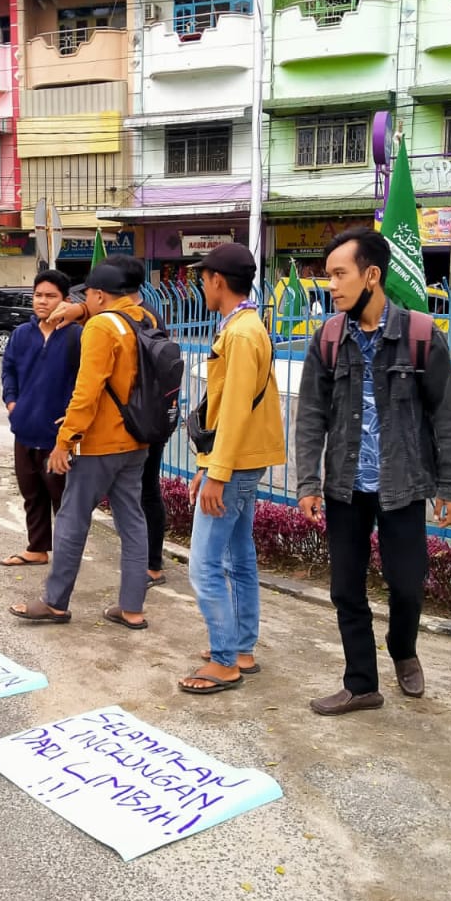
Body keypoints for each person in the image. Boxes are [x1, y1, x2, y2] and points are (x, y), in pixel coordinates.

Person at [296, 228, 451, 715]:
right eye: (328, 275)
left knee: (408, 584)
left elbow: (447, 416)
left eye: (340, 274)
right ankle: (361, 683)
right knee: (345, 589)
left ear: (372, 276)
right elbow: (311, 415)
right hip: (346, 488)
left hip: (403, 484)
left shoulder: (419, 336)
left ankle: (403, 649)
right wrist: (308, 481)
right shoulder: (328, 339)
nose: (331, 285)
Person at [9, 259, 155, 630]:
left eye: (86, 294)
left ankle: (55, 603)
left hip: (99, 443)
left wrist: (64, 441)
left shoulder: (103, 327)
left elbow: (86, 391)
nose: (83, 300)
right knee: (133, 522)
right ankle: (132, 608)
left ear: (101, 294)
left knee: (72, 519)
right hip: (137, 439)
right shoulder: (146, 320)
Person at [177, 243, 286, 695]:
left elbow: (236, 408)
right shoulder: (245, 325)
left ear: (217, 280)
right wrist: (210, 464)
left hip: (236, 464)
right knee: (238, 557)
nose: (201, 285)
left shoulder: (241, 333)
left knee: (203, 565)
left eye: (203, 278)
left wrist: (216, 472)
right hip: (241, 460)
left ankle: (225, 660)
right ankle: (240, 647)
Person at [0, 270, 81, 568]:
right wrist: (11, 402)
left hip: (59, 435)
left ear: (66, 301)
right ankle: (36, 549)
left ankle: (67, 555)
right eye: (38, 295)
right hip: (25, 429)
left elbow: (86, 382)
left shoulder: (77, 336)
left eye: (51, 296)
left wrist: (73, 417)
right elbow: (8, 370)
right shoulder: (22, 334)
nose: (43, 301)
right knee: (31, 492)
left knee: (63, 498)